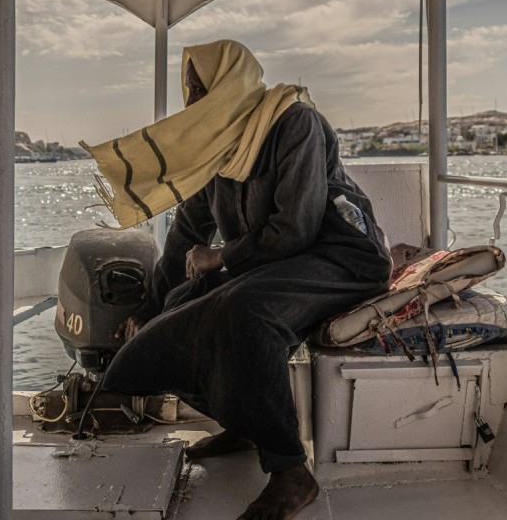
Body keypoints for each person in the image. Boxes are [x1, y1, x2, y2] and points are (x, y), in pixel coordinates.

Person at [81, 39, 391, 520]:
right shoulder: (221, 148)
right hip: (277, 261)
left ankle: (291, 472)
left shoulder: (295, 122)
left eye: (199, 88)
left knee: (244, 310)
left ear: (230, 85)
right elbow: (187, 233)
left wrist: (221, 256)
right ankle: (244, 421)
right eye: (190, 91)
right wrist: (149, 309)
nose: (192, 102)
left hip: (344, 257)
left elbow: (298, 227)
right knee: (181, 306)